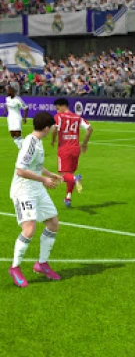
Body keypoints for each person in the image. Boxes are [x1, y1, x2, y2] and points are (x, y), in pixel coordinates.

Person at [9, 112, 64, 288]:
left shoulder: (38, 141)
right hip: (24, 191)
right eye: (52, 127)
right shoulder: (30, 144)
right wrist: (44, 180)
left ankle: (41, 264)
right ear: (46, 128)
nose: (53, 129)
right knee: (29, 229)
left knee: (53, 223)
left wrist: (50, 174)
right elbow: (20, 170)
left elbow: (35, 166)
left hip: (36, 189)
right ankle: (15, 268)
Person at [51, 99, 92, 207]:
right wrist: (84, 144)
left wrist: (53, 140)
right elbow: (89, 129)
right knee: (70, 173)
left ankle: (75, 179)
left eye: (57, 108)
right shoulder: (77, 117)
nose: (57, 111)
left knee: (63, 175)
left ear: (62, 106)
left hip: (64, 148)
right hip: (76, 148)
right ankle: (68, 198)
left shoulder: (59, 117)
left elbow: (54, 129)